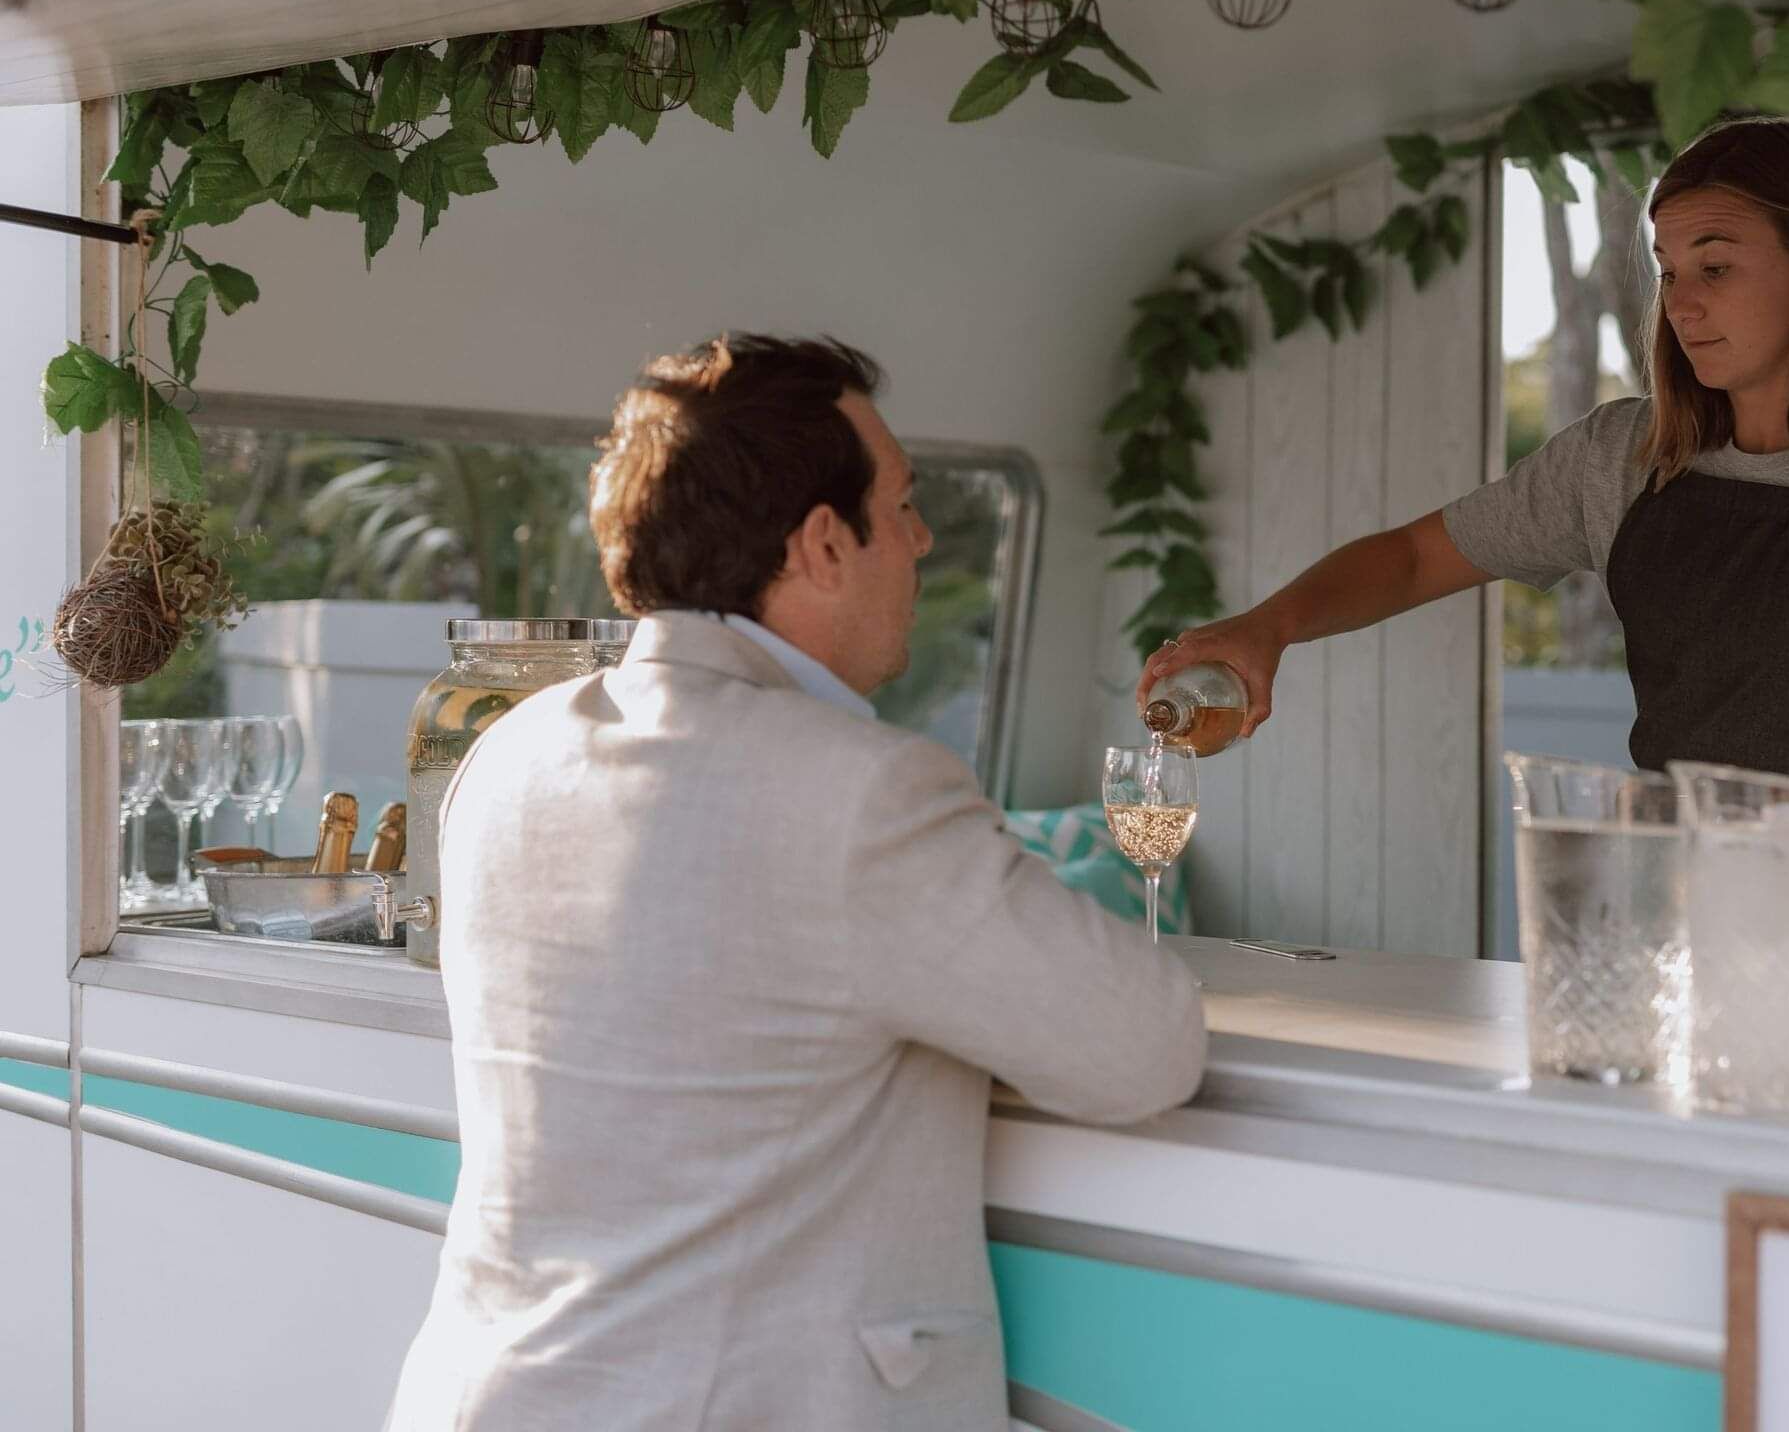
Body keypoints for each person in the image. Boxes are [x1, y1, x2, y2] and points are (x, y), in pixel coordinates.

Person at [386, 334, 1206, 1431]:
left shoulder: (506, 756)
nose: (919, 541)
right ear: (824, 543)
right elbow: (1142, 1048)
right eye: (904, 506)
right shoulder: (863, 792)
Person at [1142, 117, 1789, 951]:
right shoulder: (1623, 457)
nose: (1682, 302)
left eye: (1716, 266)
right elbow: (1416, 555)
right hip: (1664, 924)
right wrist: (1268, 628)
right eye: (1670, 272)